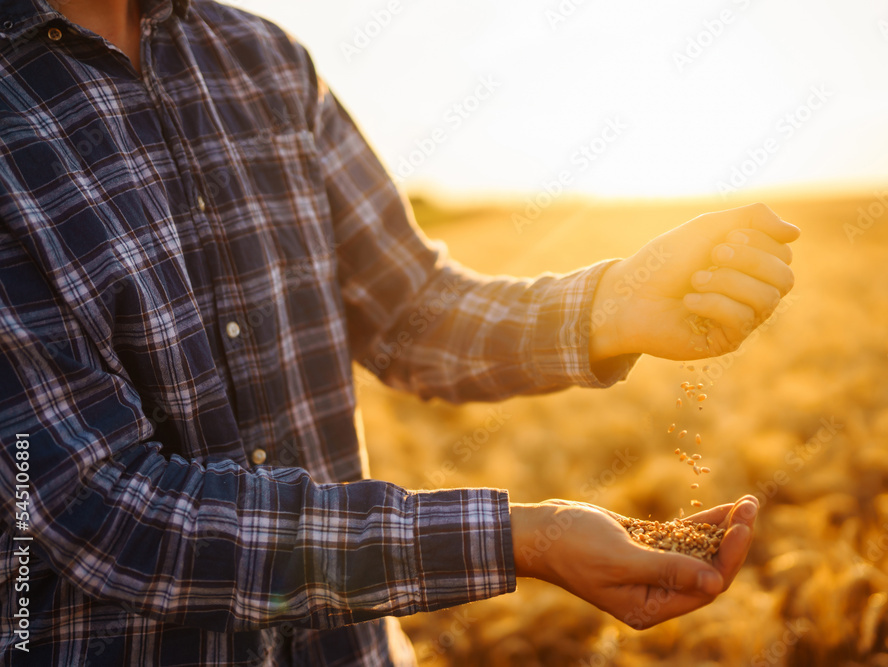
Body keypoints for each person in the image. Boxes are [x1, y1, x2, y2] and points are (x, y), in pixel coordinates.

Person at [0, 0, 798, 663]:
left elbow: (409, 310)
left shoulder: (261, 57)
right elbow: (104, 509)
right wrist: (525, 538)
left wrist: (611, 304)